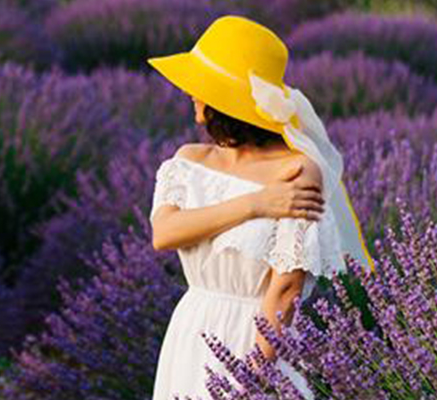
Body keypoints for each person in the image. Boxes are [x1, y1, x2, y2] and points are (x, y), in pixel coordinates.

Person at [143, 16, 374, 399]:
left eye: (201, 87)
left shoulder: (298, 170)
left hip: (257, 343)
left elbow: (286, 289)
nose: (191, 94)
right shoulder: (188, 160)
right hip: (191, 331)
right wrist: (257, 203)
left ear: (225, 101)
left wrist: (250, 378)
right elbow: (164, 234)